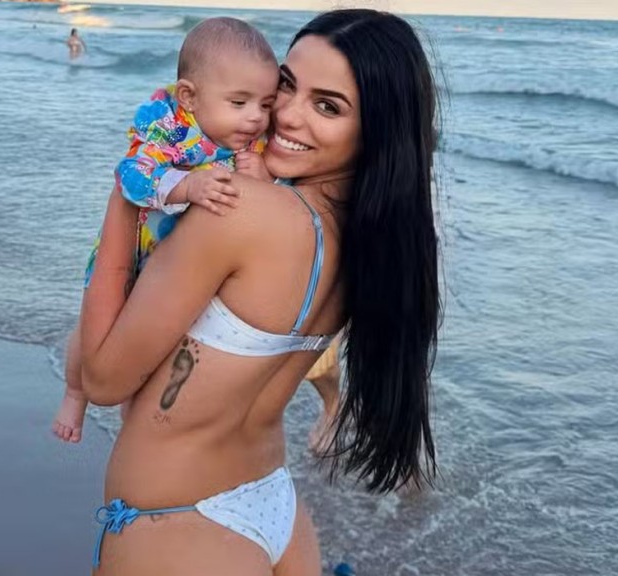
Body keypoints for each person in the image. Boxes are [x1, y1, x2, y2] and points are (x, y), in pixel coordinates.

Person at [80, 9, 441, 574]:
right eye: (287, 87)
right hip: (276, 507)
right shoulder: (372, 247)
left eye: (328, 107)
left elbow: (103, 380)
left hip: (177, 523)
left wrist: (126, 196)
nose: (287, 115)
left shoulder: (240, 211)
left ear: (377, 129)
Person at [51, 17, 279, 443]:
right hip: (132, 249)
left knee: (153, 347)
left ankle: (132, 410)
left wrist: (263, 178)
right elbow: (130, 174)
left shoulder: (251, 144)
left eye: (266, 105)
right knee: (92, 328)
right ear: (189, 96)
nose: (255, 118)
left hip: (175, 268)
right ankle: (74, 393)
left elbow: (265, 206)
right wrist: (185, 185)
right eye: (239, 102)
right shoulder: (169, 127)